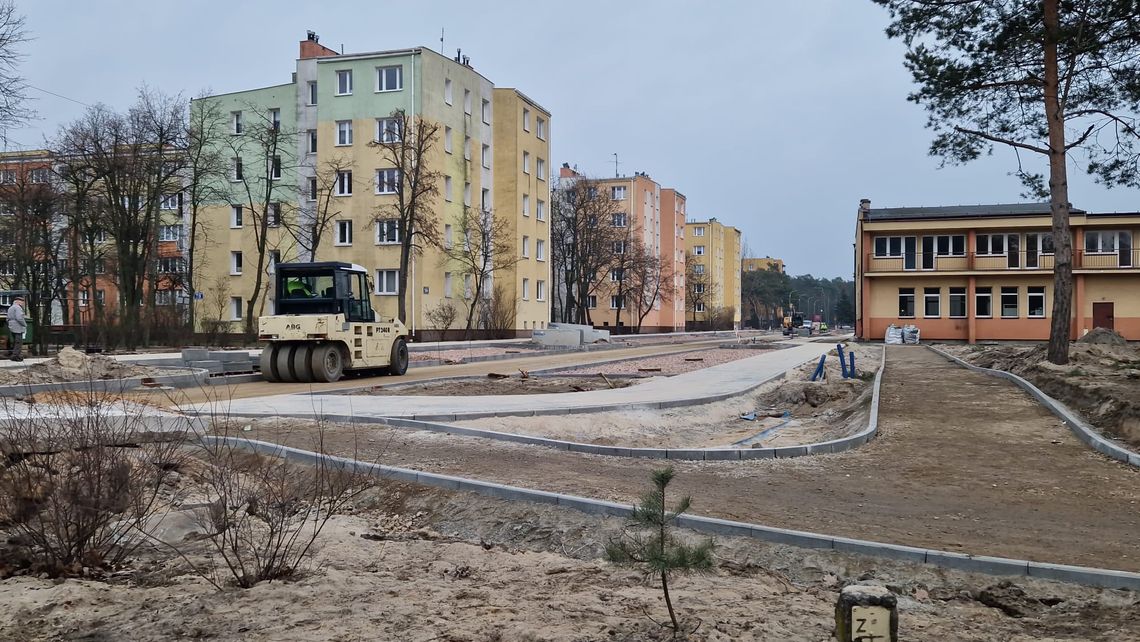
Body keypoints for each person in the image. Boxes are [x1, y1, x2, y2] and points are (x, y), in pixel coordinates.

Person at [7, 295, 26, 362]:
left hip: (12, 326)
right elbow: (19, 318)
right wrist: (24, 324)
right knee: (18, 342)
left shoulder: (11, 308)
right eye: (22, 302)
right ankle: (15, 356)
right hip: (18, 327)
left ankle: (15, 355)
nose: (23, 304)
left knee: (15, 341)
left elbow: (7, 318)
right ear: (18, 302)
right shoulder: (17, 308)